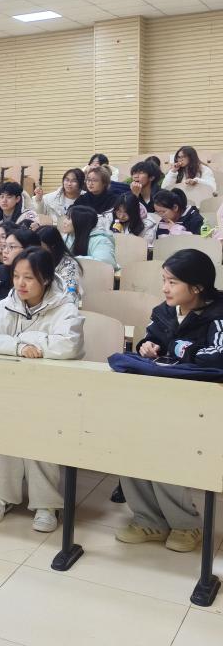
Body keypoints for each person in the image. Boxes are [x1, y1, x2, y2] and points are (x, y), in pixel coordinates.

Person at [117, 249, 223, 552]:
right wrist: (147, 346)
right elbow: (153, 340)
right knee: (127, 443)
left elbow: (217, 356)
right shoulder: (165, 311)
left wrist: (177, 348)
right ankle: (148, 519)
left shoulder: (218, 314)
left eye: (172, 282)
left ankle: (186, 525)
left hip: (201, 406)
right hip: (160, 396)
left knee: (165, 449)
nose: (164, 288)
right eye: (164, 280)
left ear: (197, 287)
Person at [0, 247, 84, 533]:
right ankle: (1, 496)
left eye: (29, 278)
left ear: (45, 279)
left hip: (50, 393)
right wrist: (20, 346)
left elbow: (69, 346)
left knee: (41, 437)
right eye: (16, 276)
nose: (20, 284)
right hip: (8, 389)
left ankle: (46, 504)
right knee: (1, 432)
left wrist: (22, 340)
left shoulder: (65, 307)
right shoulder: (4, 306)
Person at [0, 225, 39, 303]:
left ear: (28, 249)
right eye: (4, 246)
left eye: (11, 247)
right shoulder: (0, 271)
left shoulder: (39, 273)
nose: (5, 251)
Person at [36, 225, 83, 302]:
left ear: (52, 246)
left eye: (40, 247)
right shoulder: (33, 259)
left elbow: (70, 294)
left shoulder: (69, 264)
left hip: (61, 304)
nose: (35, 250)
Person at [64, 205, 117, 269]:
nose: (64, 222)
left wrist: (71, 259)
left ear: (80, 222)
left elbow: (105, 263)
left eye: (68, 219)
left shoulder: (101, 240)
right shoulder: (69, 236)